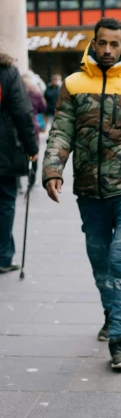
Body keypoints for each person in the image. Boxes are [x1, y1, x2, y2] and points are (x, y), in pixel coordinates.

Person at [42, 18, 121, 370]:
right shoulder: (73, 84)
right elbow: (61, 131)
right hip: (89, 193)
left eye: (114, 44)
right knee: (100, 264)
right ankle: (111, 314)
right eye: (102, 43)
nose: (108, 50)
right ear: (93, 45)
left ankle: (119, 339)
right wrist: (52, 170)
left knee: (120, 264)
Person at [0, 52, 39, 273]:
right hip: (4, 148)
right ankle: (3, 256)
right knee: (5, 200)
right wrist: (31, 148)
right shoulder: (7, 72)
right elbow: (22, 113)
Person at [22, 74, 46, 139]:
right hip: (33, 123)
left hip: (18, 126)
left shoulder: (17, 93)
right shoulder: (36, 94)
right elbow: (42, 108)